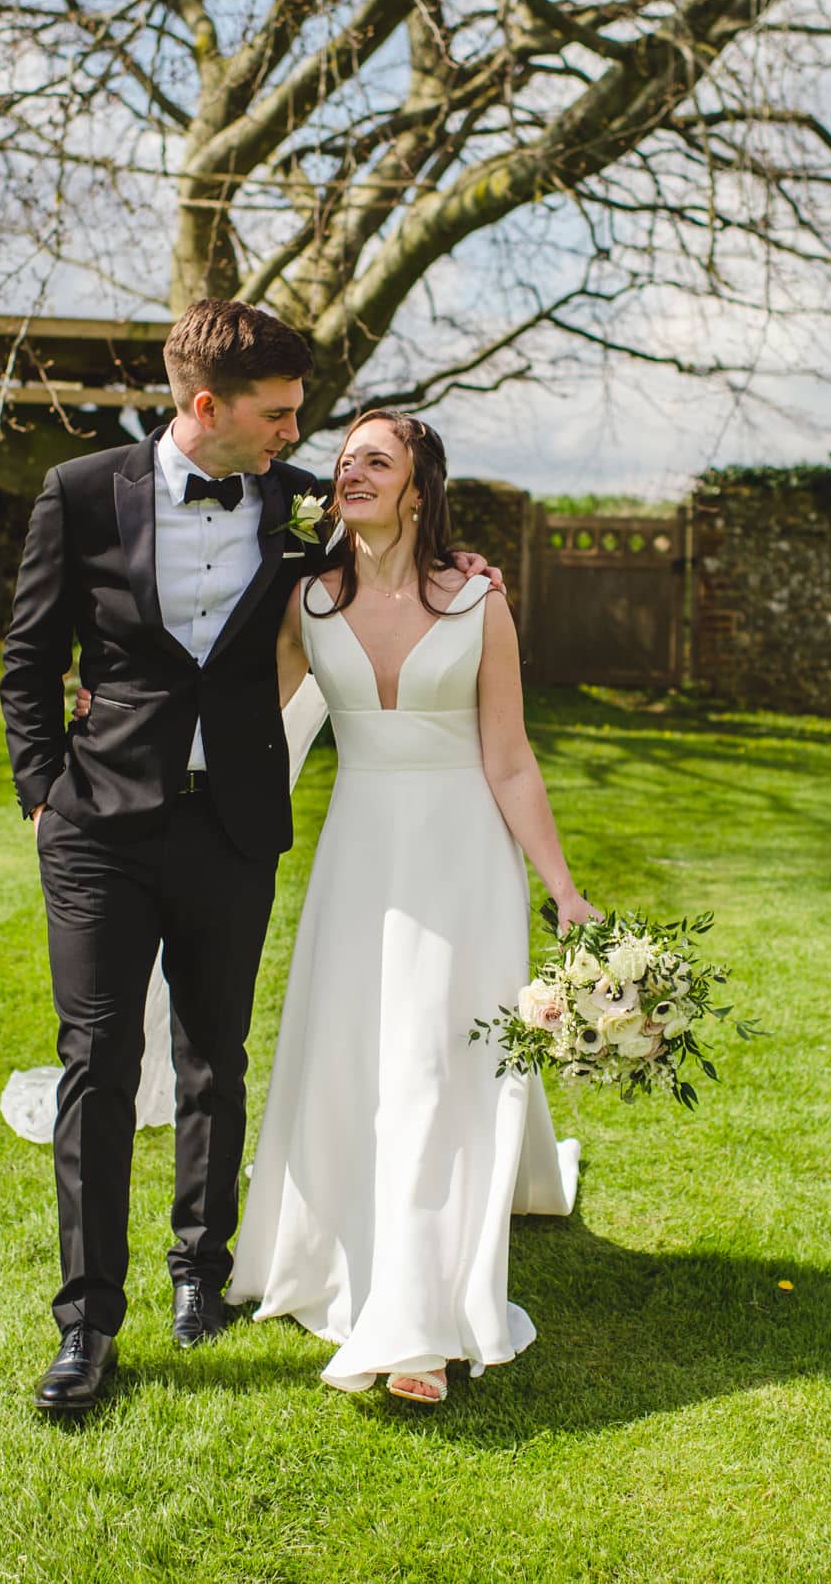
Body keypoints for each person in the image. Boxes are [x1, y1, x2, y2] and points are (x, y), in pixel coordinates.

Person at [0, 301, 498, 1417]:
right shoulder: (82, 494)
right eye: (275, 414)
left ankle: (198, 1275)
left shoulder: (294, 505)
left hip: (232, 820)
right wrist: (41, 796)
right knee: (97, 1061)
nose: (293, 434)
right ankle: (87, 1326)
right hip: (97, 826)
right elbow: (27, 657)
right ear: (205, 405)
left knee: (215, 1054)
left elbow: (386, 560)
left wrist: (464, 567)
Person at [228, 407, 590, 1404]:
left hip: (461, 858)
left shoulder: (479, 602)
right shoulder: (305, 600)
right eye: (343, 460)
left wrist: (562, 888)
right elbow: (247, 716)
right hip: (359, 861)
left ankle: (418, 1324)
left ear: (418, 490)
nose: (350, 472)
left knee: (434, 1067)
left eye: (373, 461)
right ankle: (338, 1253)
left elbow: (509, 760)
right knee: (360, 1060)